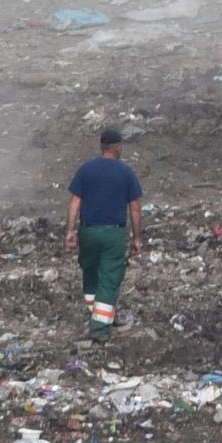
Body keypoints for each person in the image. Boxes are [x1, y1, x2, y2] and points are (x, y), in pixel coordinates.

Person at [66, 130, 145, 340]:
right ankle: (100, 331)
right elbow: (135, 208)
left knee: (91, 274)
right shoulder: (126, 172)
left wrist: (70, 231)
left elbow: (75, 201)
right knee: (109, 279)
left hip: (88, 231)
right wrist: (137, 237)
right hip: (112, 234)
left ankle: (100, 316)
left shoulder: (86, 169)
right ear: (117, 147)